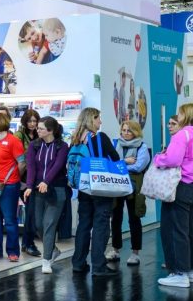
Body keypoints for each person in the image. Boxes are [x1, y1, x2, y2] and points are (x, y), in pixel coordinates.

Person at [153, 104, 193, 288]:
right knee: (189, 229)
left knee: (174, 229)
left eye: (179, 113)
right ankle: (191, 269)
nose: (177, 117)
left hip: (181, 185)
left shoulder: (183, 135)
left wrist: (158, 159)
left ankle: (179, 272)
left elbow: (172, 159)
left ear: (185, 115)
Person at [70, 107, 121, 277]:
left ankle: (78, 263)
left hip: (84, 188)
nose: (101, 122)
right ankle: (98, 265)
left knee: (84, 225)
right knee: (101, 225)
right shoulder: (100, 138)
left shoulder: (75, 139)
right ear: (92, 119)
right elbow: (114, 158)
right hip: (100, 187)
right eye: (98, 118)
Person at [24, 117, 69, 274]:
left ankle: (46, 260)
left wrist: (46, 181)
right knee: (38, 224)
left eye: (41, 128)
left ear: (51, 131)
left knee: (49, 224)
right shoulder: (34, 145)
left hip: (56, 189)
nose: (37, 130)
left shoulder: (62, 146)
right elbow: (31, 167)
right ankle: (53, 250)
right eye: (38, 128)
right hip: (38, 189)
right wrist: (29, 186)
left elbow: (57, 166)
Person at [0, 110, 27, 262]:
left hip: (9, 185)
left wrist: (15, 177)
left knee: (10, 220)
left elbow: (22, 163)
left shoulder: (13, 141)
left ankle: (12, 251)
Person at [107, 120, 150, 266]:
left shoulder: (142, 147)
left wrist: (118, 165)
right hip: (117, 185)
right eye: (124, 130)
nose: (125, 133)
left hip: (134, 186)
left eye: (129, 130)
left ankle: (135, 253)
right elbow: (109, 164)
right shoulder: (116, 144)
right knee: (116, 218)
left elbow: (138, 167)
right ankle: (115, 250)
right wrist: (125, 161)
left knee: (134, 218)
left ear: (136, 132)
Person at [16, 109, 41, 256]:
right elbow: (17, 156)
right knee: (31, 212)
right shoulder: (19, 135)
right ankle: (28, 243)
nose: (32, 124)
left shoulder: (40, 134)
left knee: (32, 212)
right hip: (22, 178)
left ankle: (27, 243)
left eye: (34, 121)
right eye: (30, 121)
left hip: (35, 178)